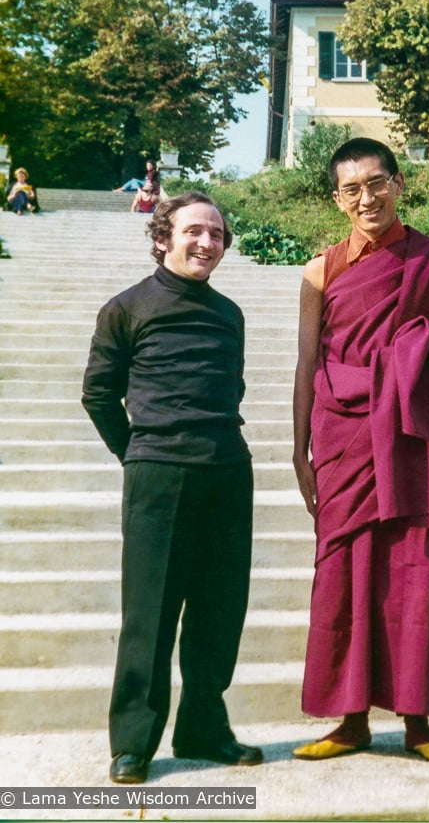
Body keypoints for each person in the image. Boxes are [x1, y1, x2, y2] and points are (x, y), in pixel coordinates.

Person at [292, 138, 429, 766]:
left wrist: (411, 362)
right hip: (343, 435)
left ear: (399, 184)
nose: (366, 198)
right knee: (344, 577)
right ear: (337, 198)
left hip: (412, 438)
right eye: (351, 189)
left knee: (415, 575)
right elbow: (308, 362)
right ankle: (349, 721)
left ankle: (419, 723)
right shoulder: (319, 269)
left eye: (376, 183)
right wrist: (298, 450)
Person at [82, 192, 262, 784]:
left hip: (227, 472)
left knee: (219, 609)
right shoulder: (126, 309)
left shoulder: (230, 313)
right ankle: (133, 741)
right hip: (158, 474)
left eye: (217, 233)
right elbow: (99, 395)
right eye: (194, 231)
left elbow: (229, 389)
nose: (207, 242)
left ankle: (205, 728)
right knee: (151, 613)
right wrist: (135, 453)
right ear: (163, 237)